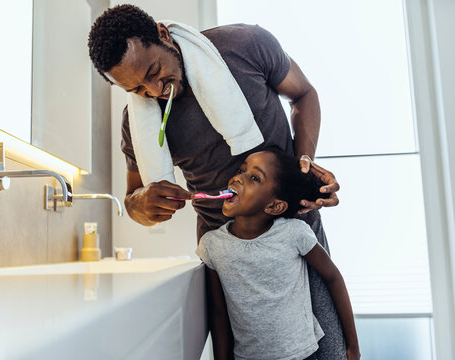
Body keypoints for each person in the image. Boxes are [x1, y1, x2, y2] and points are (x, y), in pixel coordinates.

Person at [88, 4, 345, 359]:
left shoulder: (246, 44)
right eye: (138, 89)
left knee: (326, 350)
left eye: (154, 71)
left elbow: (304, 94)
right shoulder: (136, 120)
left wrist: (304, 165)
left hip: (295, 229)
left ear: (163, 34)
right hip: (227, 258)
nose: (154, 91)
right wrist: (143, 203)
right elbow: (133, 200)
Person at [196, 147, 360, 359]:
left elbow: (333, 278)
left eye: (254, 177)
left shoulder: (294, 233)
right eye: (240, 170)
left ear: (275, 206)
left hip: (304, 354)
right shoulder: (212, 245)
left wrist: (353, 346)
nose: (237, 178)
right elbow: (218, 312)